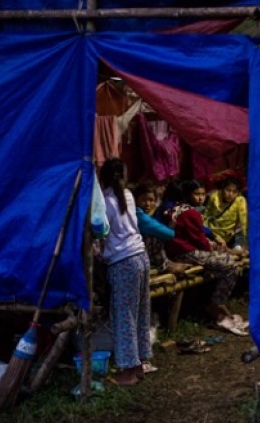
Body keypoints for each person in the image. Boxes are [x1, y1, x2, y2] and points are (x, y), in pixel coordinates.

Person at [164, 180, 248, 336]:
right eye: (197, 194)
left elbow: (198, 236)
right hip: (185, 253)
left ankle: (218, 305)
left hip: (177, 251)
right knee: (231, 265)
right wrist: (216, 248)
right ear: (188, 194)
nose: (201, 198)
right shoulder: (191, 213)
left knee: (225, 260)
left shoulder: (176, 208)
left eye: (203, 194)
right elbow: (200, 240)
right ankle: (215, 303)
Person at [99, 158, 152, 386]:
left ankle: (128, 372)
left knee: (124, 317)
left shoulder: (105, 202)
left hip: (123, 263)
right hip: (141, 256)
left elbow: (100, 232)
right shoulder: (128, 196)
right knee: (140, 312)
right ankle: (139, 364)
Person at [133, 182, 189, 276]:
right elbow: (168, 234)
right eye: (143, 199)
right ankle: (163, 265)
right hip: (138, 256)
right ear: (136, 200)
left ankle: (166, 262)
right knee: (155, 236)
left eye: (151, 200)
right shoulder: (139, 215)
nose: (147, 204)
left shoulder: (147, 214)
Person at [203, 176, 248, 251]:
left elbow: (244, 222)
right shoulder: (214, 197)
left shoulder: (240, 201)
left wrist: (246, 244)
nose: (230, 194)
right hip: (213, 235)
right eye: (228, 190)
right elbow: (207, 215)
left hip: (228, 237)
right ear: (222, 189)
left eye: (234, 192)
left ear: (238, 193)